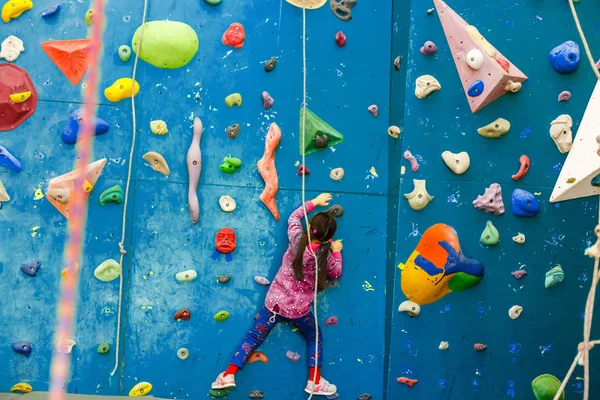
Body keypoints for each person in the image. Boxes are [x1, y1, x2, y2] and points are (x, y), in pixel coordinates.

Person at [211, 193, 343, 396]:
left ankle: (228, 374)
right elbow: (336, 273)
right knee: (314, 337)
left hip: (274, 304)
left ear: (310, 228)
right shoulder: (323, 256)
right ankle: (314, 381)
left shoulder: (298, 238)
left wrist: (314, 203)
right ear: (328, 238)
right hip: (298, 312)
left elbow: (293, 218)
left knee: (253, 337)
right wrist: (336, 251)